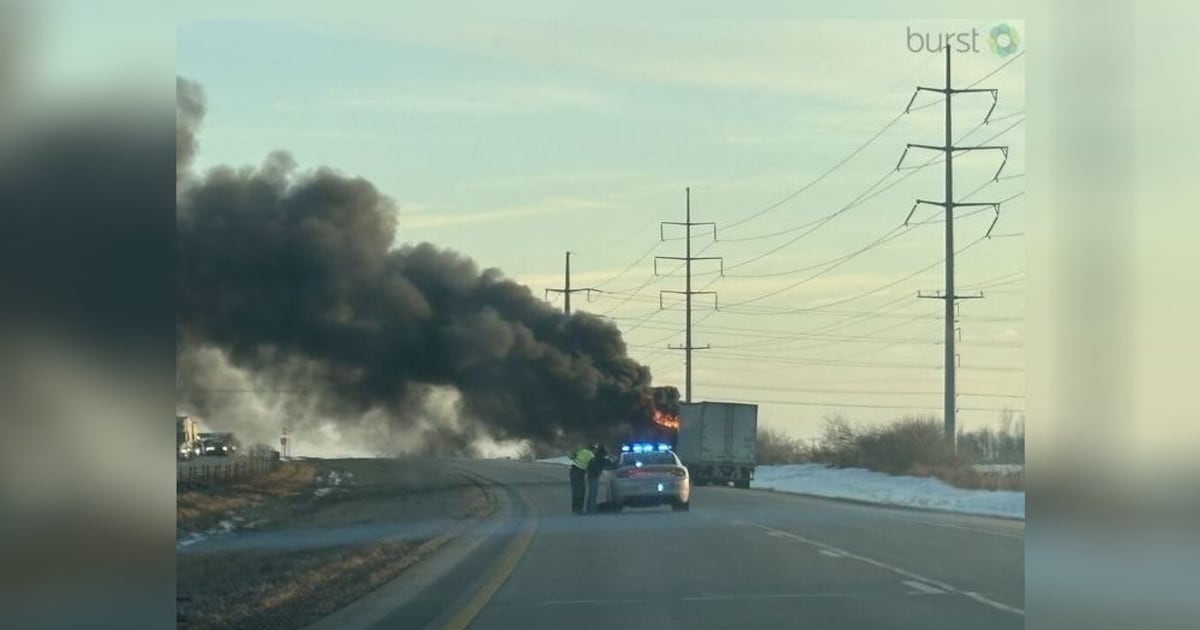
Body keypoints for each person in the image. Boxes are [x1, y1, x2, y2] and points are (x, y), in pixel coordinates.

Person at [569, 444, 594, 514]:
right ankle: (579, 510)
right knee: (581, 491)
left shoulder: (582, 451)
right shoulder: (591, 455)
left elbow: (573, 456)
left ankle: (575, 509)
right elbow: (591, 466)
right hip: (579, 472)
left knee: (575, 491)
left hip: (573, 471)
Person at [585, 443, 609, 514]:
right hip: (593, 476)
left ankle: (589, 508)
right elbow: (609, 465)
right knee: (593, 493)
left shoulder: (595, 458)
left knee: (592, 493)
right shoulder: (599, 459)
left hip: (592, 476)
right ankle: (592, 509)